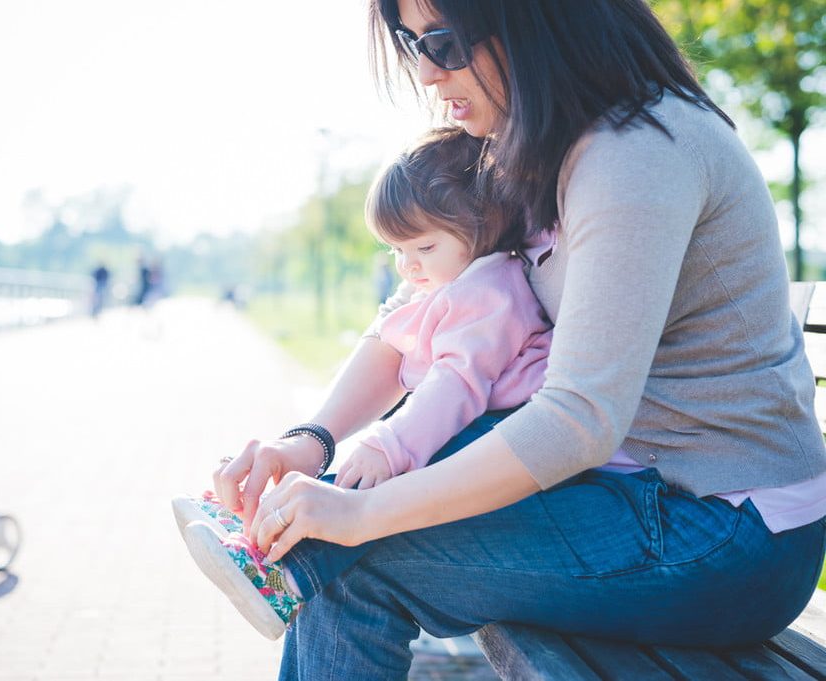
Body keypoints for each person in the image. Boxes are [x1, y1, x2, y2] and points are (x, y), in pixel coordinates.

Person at [216, 1, 826, 677]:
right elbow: (421, 309)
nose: (424, 72)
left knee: (355, 561)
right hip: (631, 488)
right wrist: (313, 439)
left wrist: (360, 515)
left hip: (729, 532)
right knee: (351, 533)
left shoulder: (639, 153)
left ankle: (284, 550)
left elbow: (578, 419)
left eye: (443, 43)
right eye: (410, 42)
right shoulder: (528, 147)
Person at [175, 127, 553, 639]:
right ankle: (261, 528)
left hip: (505, 432)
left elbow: (455, 384)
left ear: (485, 229)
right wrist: (325, 439)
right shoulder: (449, 282)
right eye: (397, 250)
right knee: (382, 467)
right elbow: (398, 351)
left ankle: (281, 568)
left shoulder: (490, 288)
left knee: (385, 476)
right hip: (477, 422)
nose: (409, 265)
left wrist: (389, 444)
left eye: (423, 245)